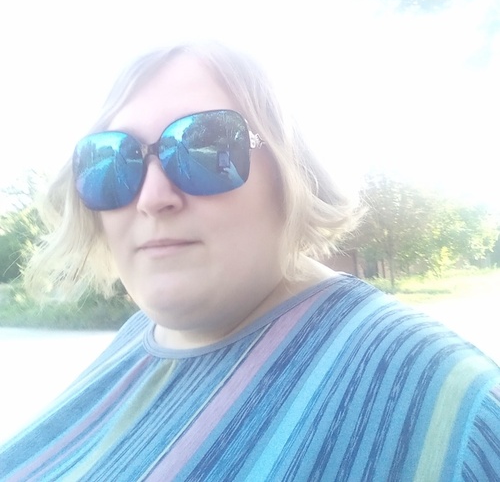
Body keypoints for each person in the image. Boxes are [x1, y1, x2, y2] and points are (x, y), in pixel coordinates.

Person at [1, 42, 499, 482]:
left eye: (204, 146)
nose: (151, 198)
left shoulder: (451, 406)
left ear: (290, 171)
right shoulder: (137, 337)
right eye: (113, 158)